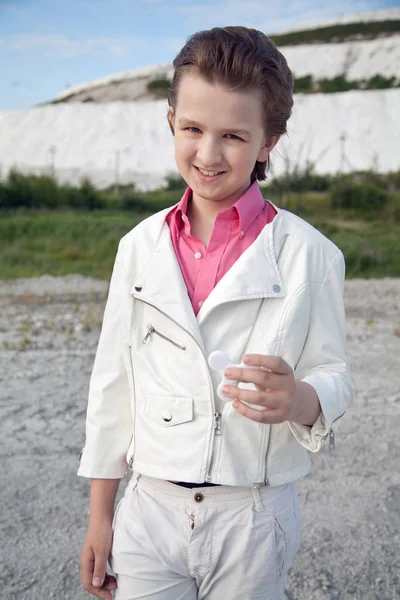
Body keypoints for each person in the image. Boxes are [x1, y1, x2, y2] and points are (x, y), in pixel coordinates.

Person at [78, 26, 355, 600]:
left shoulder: (312, 255)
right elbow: (113, 384)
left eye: (232, 135)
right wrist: (101, 514)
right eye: (192, 129)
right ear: (171, 118)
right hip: (149, 508)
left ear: (269, 140)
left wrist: (300, 399)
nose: (207, 154)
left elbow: (336, 373)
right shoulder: (138, 246)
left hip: (253, 515)